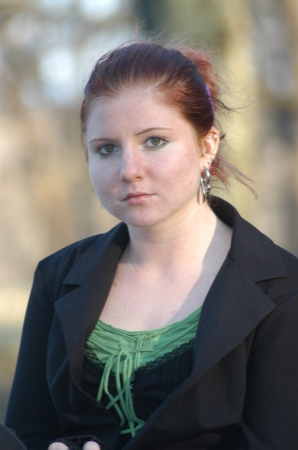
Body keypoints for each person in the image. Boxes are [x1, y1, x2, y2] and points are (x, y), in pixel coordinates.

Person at [4, 41, 298, 450]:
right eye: (106, 149)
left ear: (207, 145)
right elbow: (27, 432)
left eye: (154, 141)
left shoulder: (283, 291)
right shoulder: (56, 278)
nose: (128, 170)